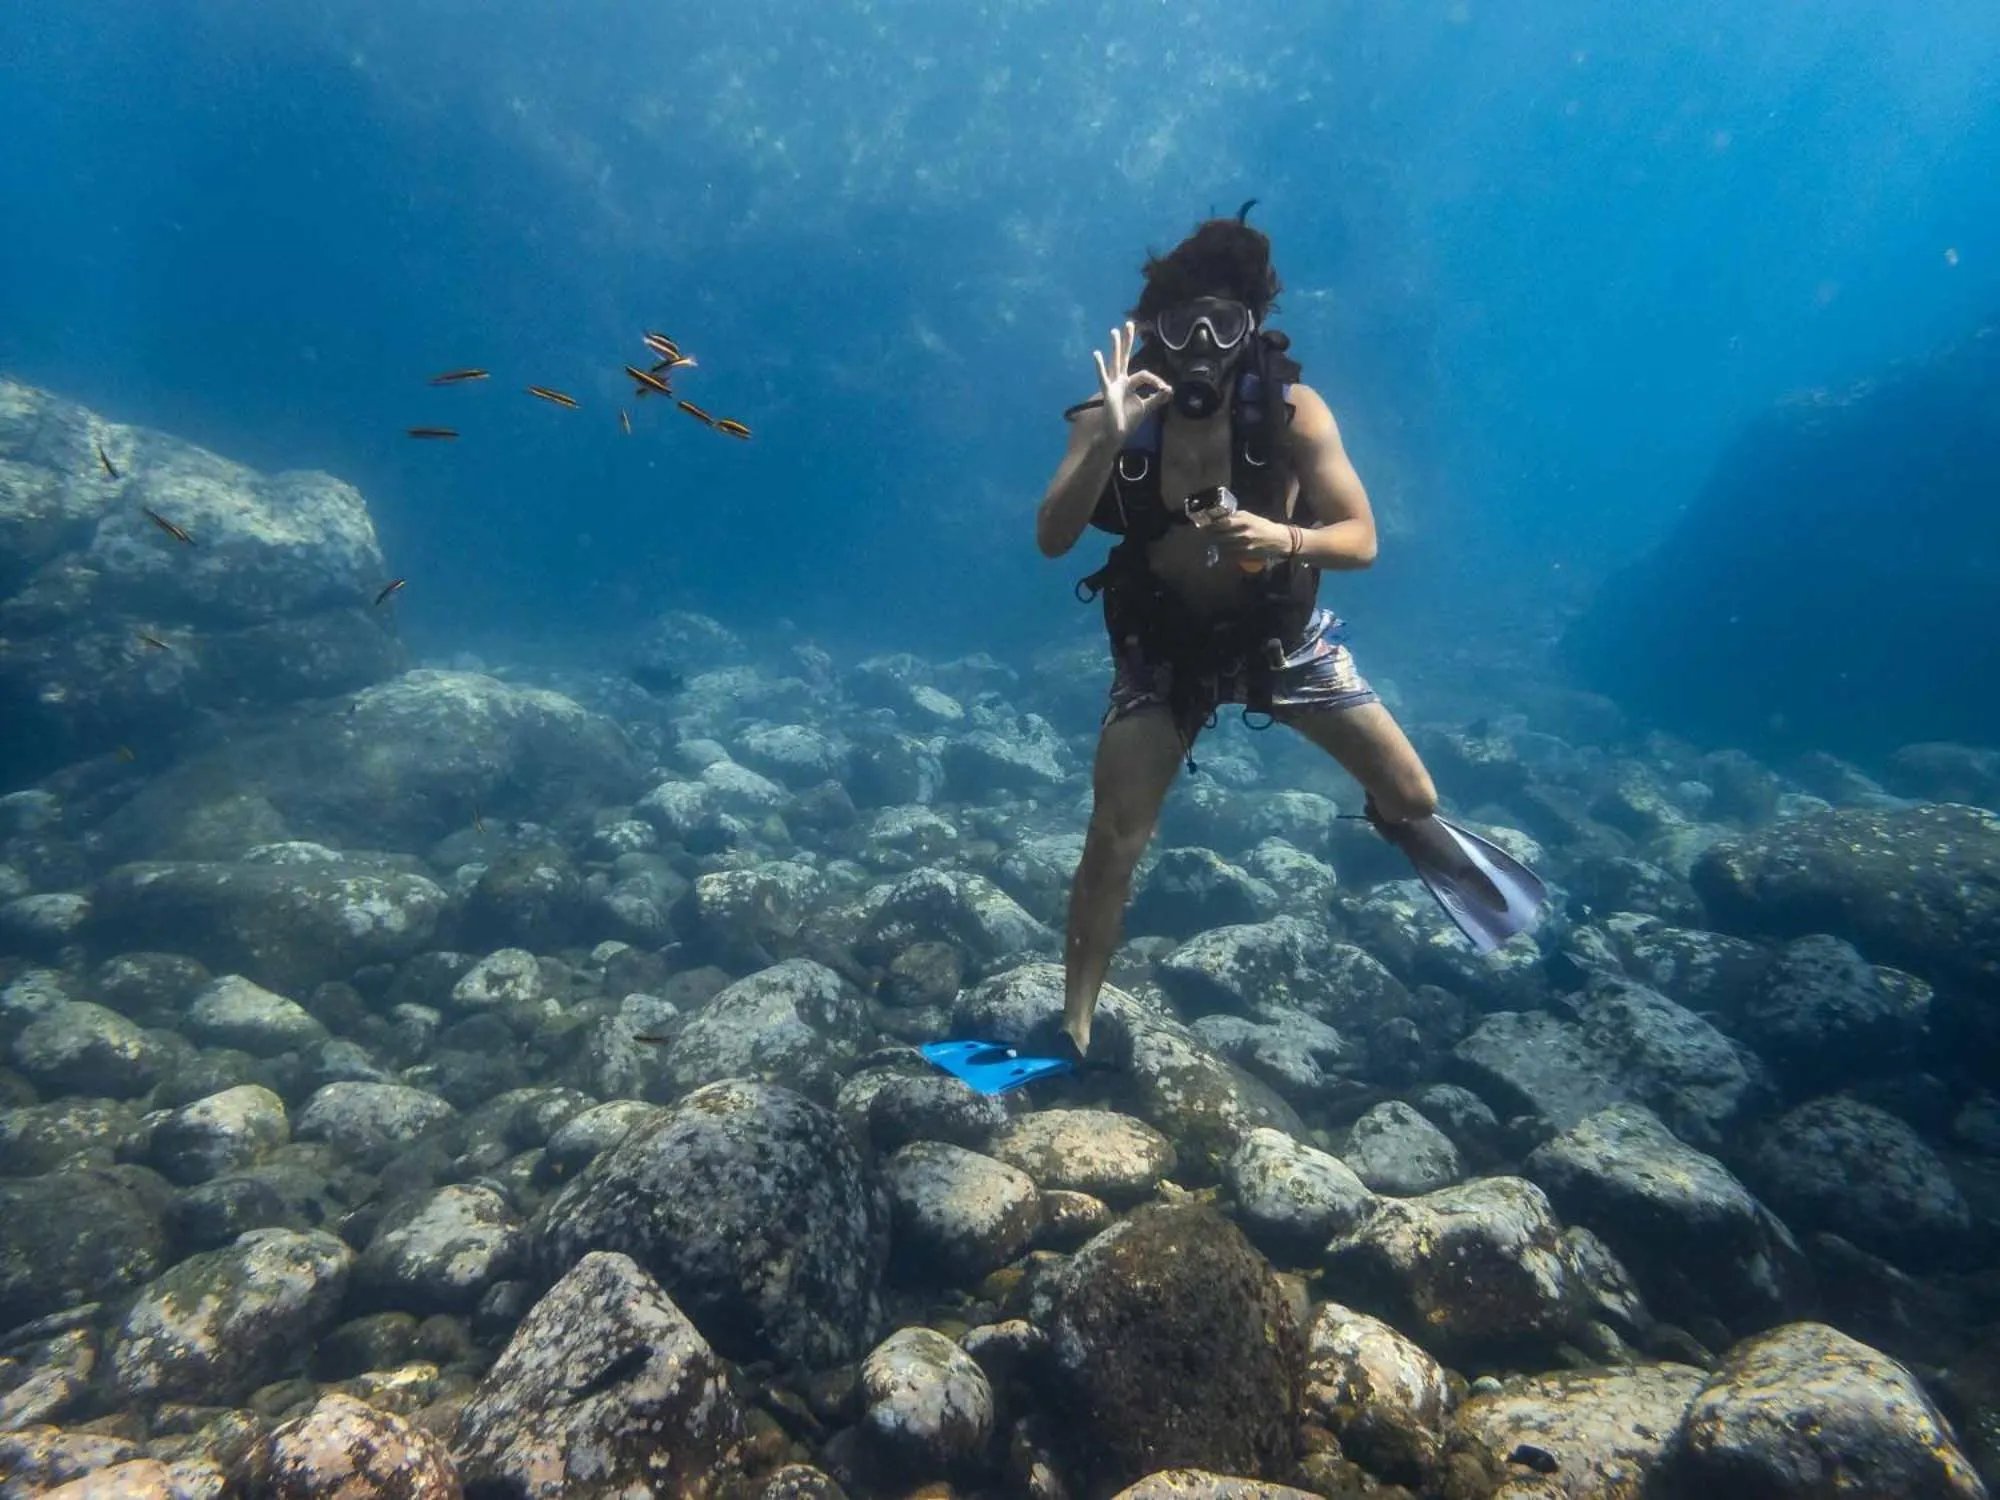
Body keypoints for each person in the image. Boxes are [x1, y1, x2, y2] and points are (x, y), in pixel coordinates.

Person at [1036, 209, 1545, 1059]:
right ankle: (1074, 1025)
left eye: (1223, 323)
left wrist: (1287, 539)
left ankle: (1408, 829)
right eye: (1181, 323)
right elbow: (1053, 538)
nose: (1201, 343)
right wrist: (1109, 440)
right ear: (1151, 329)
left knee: (1415, 799)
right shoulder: (1110, 415)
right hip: (1164, 649)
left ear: (1252, 330)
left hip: (1280, 640)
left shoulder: (1295, 412)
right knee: (1113, 838)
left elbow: (1363, 540)